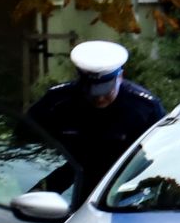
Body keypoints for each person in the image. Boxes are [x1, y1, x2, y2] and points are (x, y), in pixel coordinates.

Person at [27, 40, 165, 192]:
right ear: (79, 80)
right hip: (67, 179)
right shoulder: (56, 102)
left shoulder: (144, 108)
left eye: (106, 91)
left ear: (120, 77)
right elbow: (26, 143)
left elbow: (159, 156)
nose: (99, 98)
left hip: (124, 186)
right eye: (90, 92)